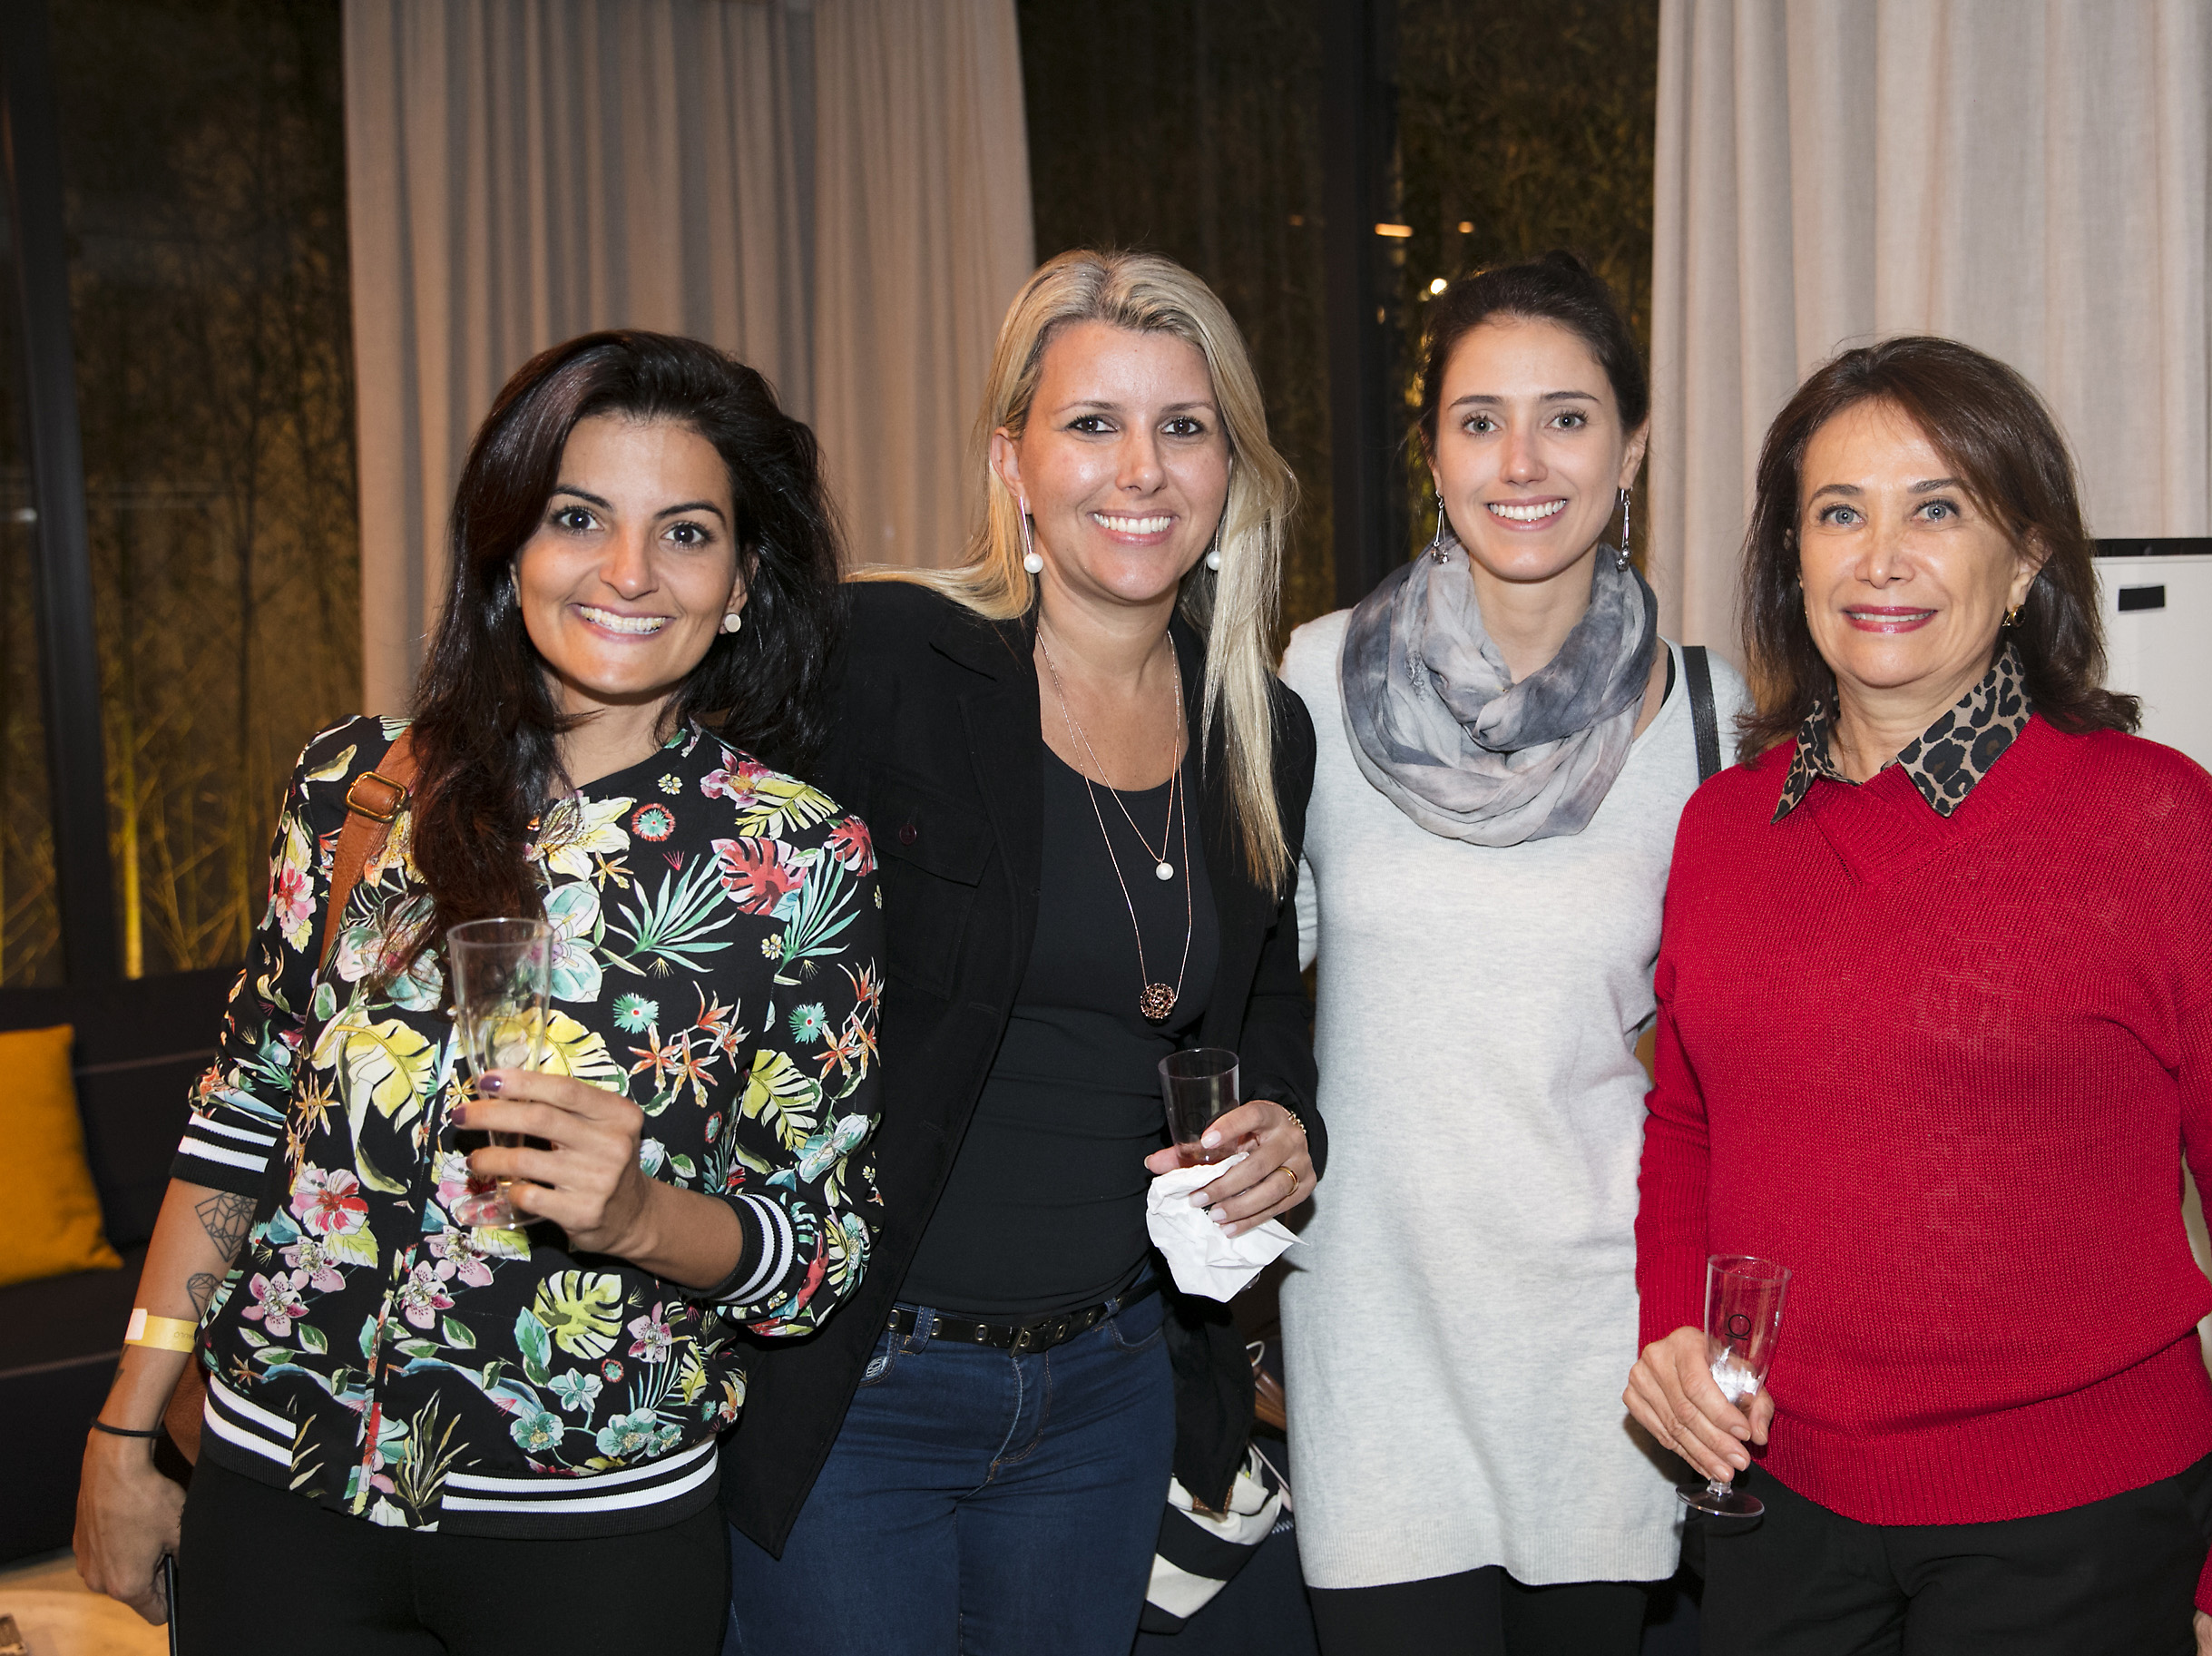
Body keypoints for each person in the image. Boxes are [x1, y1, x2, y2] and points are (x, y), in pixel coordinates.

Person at [73, 331, 883, 1654]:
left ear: (741, 583)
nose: (629, 572)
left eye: (686, 532)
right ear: (510, 549)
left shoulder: (794, 857)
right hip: (278, 1492)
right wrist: (126, 1421)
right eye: (579, 518)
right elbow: (238, 1121)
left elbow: (818, 1250)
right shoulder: (357, 787)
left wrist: (634, 1214)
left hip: (591, 1534)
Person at [1624, 337, 2212, 1656]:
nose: (1878, 557)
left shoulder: (2152, 821)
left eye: (1936, 508)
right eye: (1837, 512)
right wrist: (1674, 1334)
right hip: (1776, 1514)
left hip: (2080, 1534)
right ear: (1792, 559)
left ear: (2024, 563)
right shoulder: (1720, 830)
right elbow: (1686, 1128)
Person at [721, 249, 1324, 1656]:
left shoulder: (1264, 732)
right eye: (1090, 423)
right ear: (1013, 458)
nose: (1141, 469)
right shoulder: (877, 661)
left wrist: (1291, 1118)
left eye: (1183, 426)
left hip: (1107, 1390)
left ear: (1230, 467)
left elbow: (1261, 994)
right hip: (860, 1382)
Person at [1274, 250, 1745, 1655]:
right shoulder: (1309, 677)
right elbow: (1242, 995)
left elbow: (1727, 1051)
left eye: (1567, 415)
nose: (1521, 459)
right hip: (1371, 1328)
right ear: (1433, 453)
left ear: (1632, 447)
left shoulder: (1711, 715)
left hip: (1602, 1349)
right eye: (1478, 419)